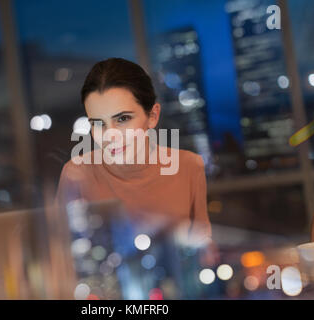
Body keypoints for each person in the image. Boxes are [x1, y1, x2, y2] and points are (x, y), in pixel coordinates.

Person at [56, 57, 218, 265]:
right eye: (98, 124)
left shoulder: (188, 167)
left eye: (122, 119)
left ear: (152, 115)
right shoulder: (77, 174)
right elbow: (62, 255)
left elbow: (205, 253)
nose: (110, 135)